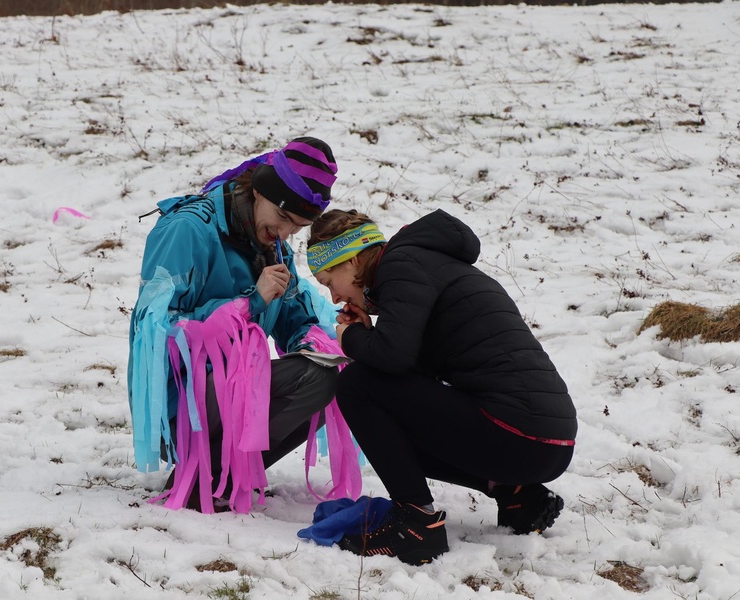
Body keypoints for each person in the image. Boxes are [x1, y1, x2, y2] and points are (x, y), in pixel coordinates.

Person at [305, 208, 577, 565]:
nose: (335, 298)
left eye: (329, 282)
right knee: (386, 406)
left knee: (356, 385)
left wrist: (353, 337)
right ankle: (518, 496)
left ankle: (417, 527)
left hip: (518, 435)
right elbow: (414, 375)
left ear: (352, 260)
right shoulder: (425, 264)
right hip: (546, 443)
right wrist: (373, 336)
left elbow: (392, 360)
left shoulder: (401, 265)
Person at [128, 137, 346, 513]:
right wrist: (248, 304)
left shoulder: (270, 243)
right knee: (310, 379)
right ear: (261, 191)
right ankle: (202, 478)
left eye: (297, 227)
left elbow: (294, 314)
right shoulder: (187, 230)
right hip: (181, 403)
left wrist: (333, 341)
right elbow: (157, 332)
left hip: (233, 386)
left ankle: (219, 476)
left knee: (336, 376)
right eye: (283, 219)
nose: (284, 234)